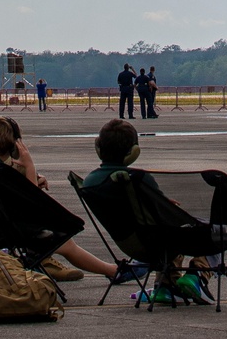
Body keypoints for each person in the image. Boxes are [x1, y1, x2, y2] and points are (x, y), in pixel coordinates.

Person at [0, 118, 146, 286]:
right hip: (11, 231)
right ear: (13, 148)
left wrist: (30, 178)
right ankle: (113, 271)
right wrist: (29, 166)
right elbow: (34, 205)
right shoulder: (1, 172)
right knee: (66, 243)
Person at [82, 118, 211, 304]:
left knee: (164, 230)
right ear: (133, 153)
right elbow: (162, 216)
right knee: (208, 228)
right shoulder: (136, 180)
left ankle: (167, 285)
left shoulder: (89, 182)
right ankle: (198, 275)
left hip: (128, 243)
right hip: (155, 245)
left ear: (98, 147)